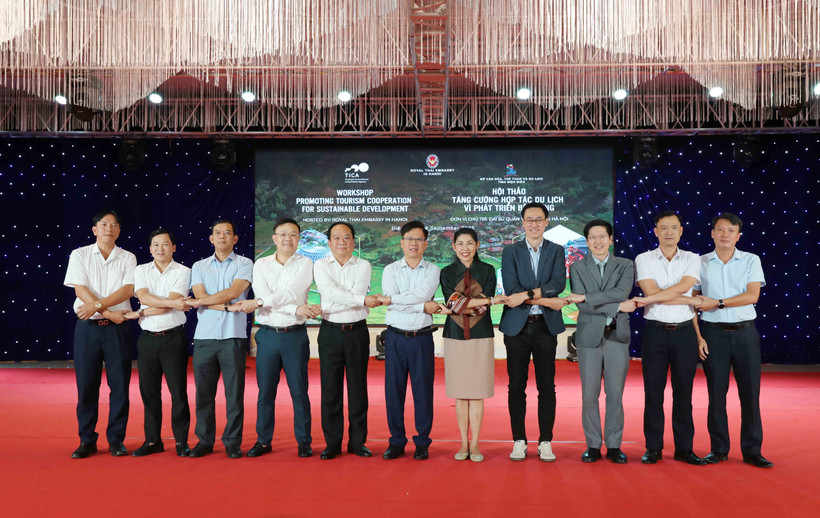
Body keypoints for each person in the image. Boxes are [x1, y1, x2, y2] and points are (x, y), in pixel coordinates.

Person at [229, 218, 320, 458]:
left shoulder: (306, 263)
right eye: (283, 234)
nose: (288, 239)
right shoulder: (261, 264)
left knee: (299, 392)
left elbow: (290, 293)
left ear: (299, 239)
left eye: (293, 234)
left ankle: (304, 441)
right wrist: (292, 307)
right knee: (265, 393)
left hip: (294, 336)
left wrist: (260, 302)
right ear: (274, 238)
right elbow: (264, 293)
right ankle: (263, 440)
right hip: (268, 335)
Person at [693, 213, 772, 468]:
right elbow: (693, 302)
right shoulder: (700, 262)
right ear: (712, 234)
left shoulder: (751, 260)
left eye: (730, 230)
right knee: (716, 395)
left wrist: (718, 303)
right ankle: (718, 449)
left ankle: (752, 451)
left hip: (745, 334)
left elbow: (752, 296)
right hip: (712, 334)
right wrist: (698, 337)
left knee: (750, 394)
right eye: (720, 229)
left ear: (738, 235)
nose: (725, 234)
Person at [633, 210, 705, 465]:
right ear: (655, 231)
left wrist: (652, 299)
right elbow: (650, 290)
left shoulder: (692, 258)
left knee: (684, 393)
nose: (669, 232)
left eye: (674, 227)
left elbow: (683, 286)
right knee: (653, 393)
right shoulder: (643, 258)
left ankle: (684, 449)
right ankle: (653, 448)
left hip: (684, 332)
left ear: (681, 231)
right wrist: (689, 300)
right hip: (655, 332)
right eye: (663, 228)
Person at [64, 210, 137, 458]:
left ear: (119, 230)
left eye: (114, 225)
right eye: (104, 225)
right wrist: (108, 313)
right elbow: (80, 288)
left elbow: (128, 290)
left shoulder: (128, 257)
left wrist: (98, 307)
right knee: (86, 386)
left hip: (118, 329)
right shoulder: (80, 254)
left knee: (120, 386)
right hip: (88, 329)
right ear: (95, 229)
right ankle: (87, 440)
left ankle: (116, 439)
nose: (109, 229)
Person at [499, 202, 566, 462]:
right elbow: (511, 288)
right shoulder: (511, 251)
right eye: (529, 219)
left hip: (545, 327)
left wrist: (528, 295)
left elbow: (557, 284)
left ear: (547, 221)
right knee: (516, 385)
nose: (534, 224)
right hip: (516, 327)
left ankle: (545, 441)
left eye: (539, 219)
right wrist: (545, 298)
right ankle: (519, 440)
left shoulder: (556, 250)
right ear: (523, 223)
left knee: (546, 386)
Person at [565, 220, 636, 464]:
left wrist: (587, 297)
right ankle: (593, 445)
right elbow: (582, 306)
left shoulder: (625, 265)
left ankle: (614, 445)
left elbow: (621, 293)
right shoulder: (577, 267)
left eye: (602, 236)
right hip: (589, 337)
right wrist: (618, 307)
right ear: (587, 241)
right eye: (592, 237)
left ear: (610, 239)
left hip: (617, 335)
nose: (598, 241)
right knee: (589, 394)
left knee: (615, 394)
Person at [185, 219, 253, 458]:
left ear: (235, 238)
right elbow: (200, 294)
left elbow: (233, 292)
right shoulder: (199, 266)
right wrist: (225, 306)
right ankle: (204, 441)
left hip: (233, 336)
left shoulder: (245, 263)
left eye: (227, 232)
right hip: (204, 337)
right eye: (217, 233)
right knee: (204, 394)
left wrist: (201, 302)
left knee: (234, 394)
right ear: (211, 238)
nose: (222, 236)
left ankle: (232, 442)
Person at [314, 221, 381, 460]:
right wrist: (358, 300)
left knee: (357, 389)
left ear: (353, 241)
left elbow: (346, 294)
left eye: (346, 237)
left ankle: (357, 442)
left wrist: (345, 299)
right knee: (330, 390)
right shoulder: (320, 265)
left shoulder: (363, 265)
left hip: (356, 332)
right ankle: (332, 443)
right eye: (336, 238)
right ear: (329, 242)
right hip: (330, 332)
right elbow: (328, 293)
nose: (341, 242)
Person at [124, 228, 192, 457]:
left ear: (174, 247)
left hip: (173, 338)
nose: (160, 249)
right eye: (155, 244)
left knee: (178, 392)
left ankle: (181, 441)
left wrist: (141, 312)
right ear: (150, 248)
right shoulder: (141, 270)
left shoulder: (183, 271)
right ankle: (153, 440)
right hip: (147, 340)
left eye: (165, 244)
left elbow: (170, 303)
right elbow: (144, 297)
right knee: (149, 392)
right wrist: (172, 304)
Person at [378, 221, 443, 461]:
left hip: (421, 338)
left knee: (423, 392)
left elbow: (421, 295)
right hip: (395, 338)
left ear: (425, 244)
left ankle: (422, 442)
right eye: (409, 239)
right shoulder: (390, 269)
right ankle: (396, 441)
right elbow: (395, 300)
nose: (413, 243)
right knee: (393, 392)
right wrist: (421, 306)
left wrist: (396, 300)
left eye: (418, 239)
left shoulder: (433, 270)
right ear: (402, 243)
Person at [440, 227, 506, 462]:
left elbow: (480, 305)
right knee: (460, 393)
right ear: (454, 246)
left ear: (477, 245)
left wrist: (476, 303)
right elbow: (453, 303)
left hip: (481, 334)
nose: (465, 248)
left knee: (477, 392)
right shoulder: (447, 272)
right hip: (454, 334)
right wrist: (486, 301)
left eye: (470, 243)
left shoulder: (487, 270)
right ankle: (463, 443)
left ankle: (475, 443)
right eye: (460, 243)